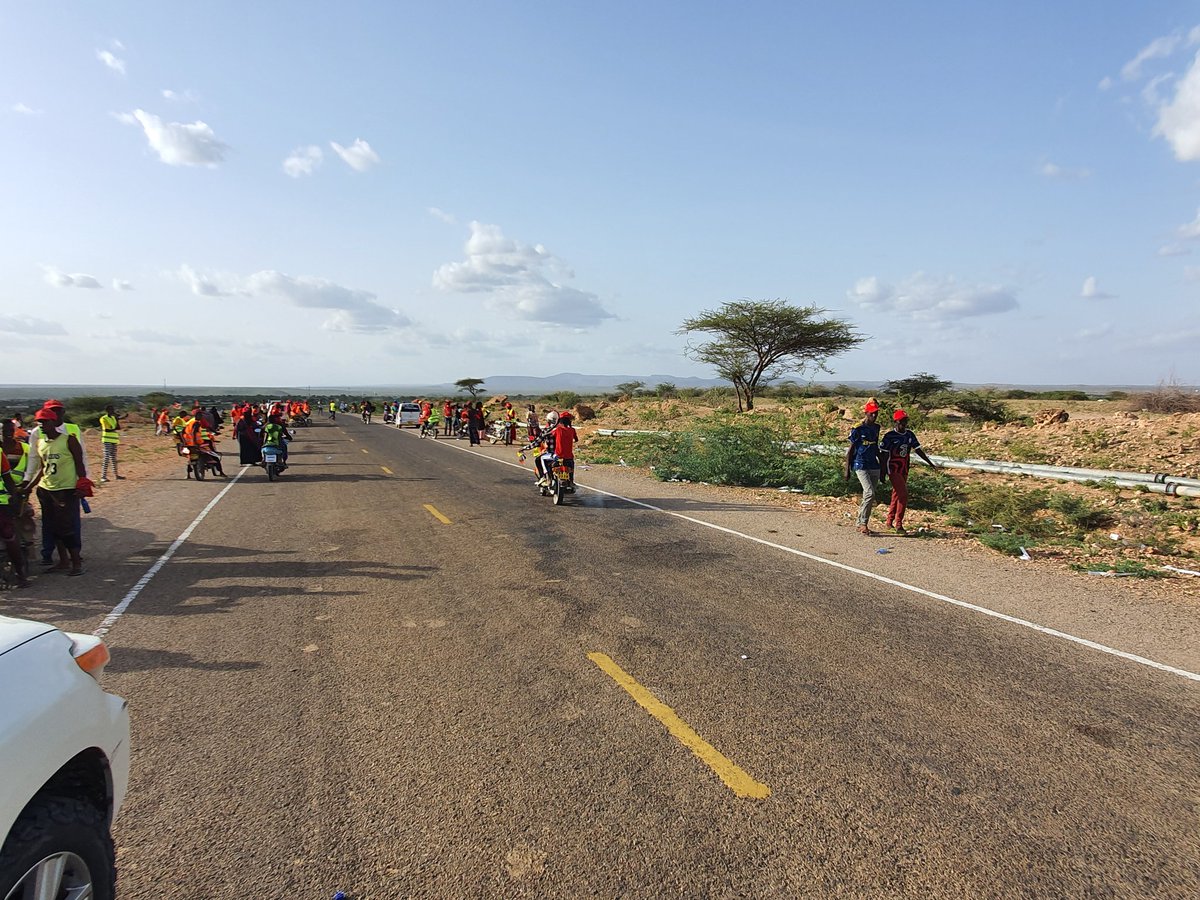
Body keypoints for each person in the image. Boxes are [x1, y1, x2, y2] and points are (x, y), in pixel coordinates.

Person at [33, 408, 88, 575]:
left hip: (65, 490)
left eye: (45, 422)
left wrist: (82, 484)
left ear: (53, 422)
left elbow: (79, 463)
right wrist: (28, 487)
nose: (41, 425)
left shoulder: (69, 440)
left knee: (66, 527)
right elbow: (42, 468)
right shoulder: (41, 443)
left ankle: (76, 563)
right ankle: (63, 561)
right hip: (46, 488)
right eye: (39, 422)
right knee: (53, 527)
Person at [880, 409, 938, 535]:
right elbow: (883, 455)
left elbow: (918, 450)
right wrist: (882, 472)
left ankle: (889, 521)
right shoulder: (889, 436)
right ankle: (899, 524)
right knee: (903, 494)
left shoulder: (909, 435)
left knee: (896, 494)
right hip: (893, 468)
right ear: (896, 421)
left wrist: (929, 463)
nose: (904, 423)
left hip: (904, 468)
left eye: (906, 420)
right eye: (902, 421)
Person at [844, 399, 884, 535]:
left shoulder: (876, 428)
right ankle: (862, 523)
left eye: (876, 413)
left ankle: (861, 522)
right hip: (860, 463)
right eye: (871, 413)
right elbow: (850, 450)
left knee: (869, 496)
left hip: (873, 464)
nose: (874, 415)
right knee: (869, 493)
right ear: (866, 413)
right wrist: (847, 470)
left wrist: (882, 466)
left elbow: (875, 446)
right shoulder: (857, 428)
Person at [0, 434, 29, 587]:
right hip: (2, 502)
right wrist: (15, 498)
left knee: (9, 537)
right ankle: (20, 575)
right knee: (10, 537)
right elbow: (8, 479)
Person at [99, 404, 127, 482]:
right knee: (106, 458)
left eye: (113, 409)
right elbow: (107, 429)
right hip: (107, 439)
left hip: (114, 440)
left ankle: (116, 475)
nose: (113, 411)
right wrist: (114, 427)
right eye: (111, 409)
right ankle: (103, 476)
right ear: (107, 410)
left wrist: (117, 419)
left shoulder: (113, 418)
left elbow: (118, 427)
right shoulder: (103, 418)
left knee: (113, 458)